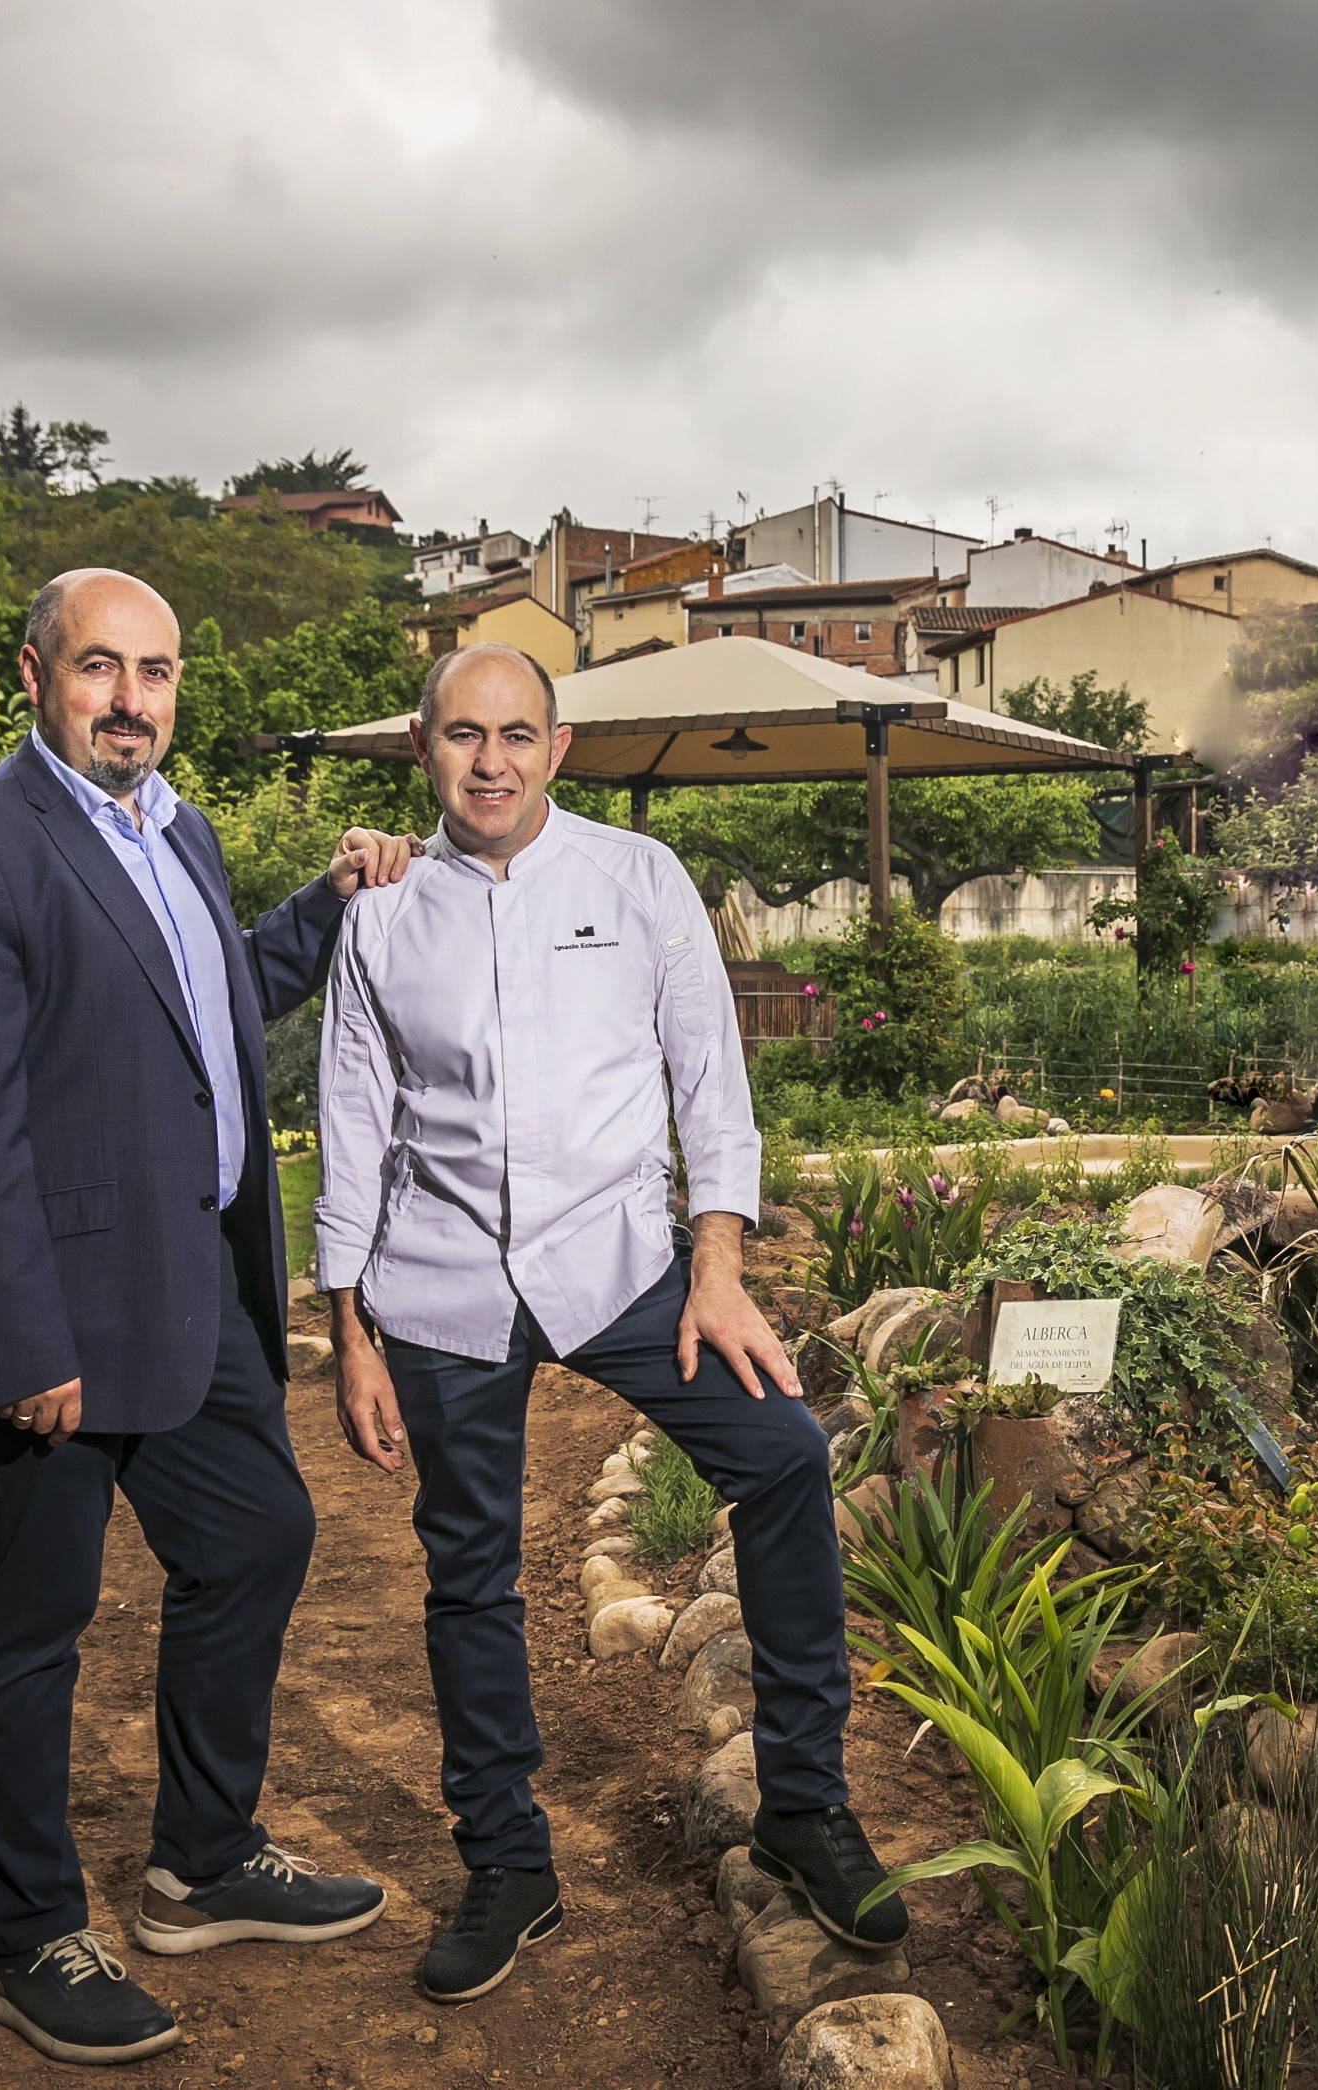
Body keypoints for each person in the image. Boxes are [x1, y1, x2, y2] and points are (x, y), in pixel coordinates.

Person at [0, 568, 413, 2066]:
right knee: (26, 1627)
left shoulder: (179, 829)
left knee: (259, 1536)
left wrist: (330, 906)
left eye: (156, 672)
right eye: (100, 667)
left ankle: (202, 1862)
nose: (131, 700)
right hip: (54, 1318)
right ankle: (26, 1936)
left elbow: (204, 1008)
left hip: (191, 1290)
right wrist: (17, 1339)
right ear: (35, 674)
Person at [317, 642, 905, 2006]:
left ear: (558, 747)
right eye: (464, 735)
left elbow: (709, 1075)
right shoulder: (382, 914)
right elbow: (351, 1119)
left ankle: (804, 1802)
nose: (492, 763)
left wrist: (719, 1263)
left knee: (783, 1455)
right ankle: (506, 1862)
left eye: (517, 734)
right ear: (424, 746)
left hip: (623, 1262)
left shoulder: (638, 879)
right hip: (444, 1285)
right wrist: (348, 1327)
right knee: (469, 1571)